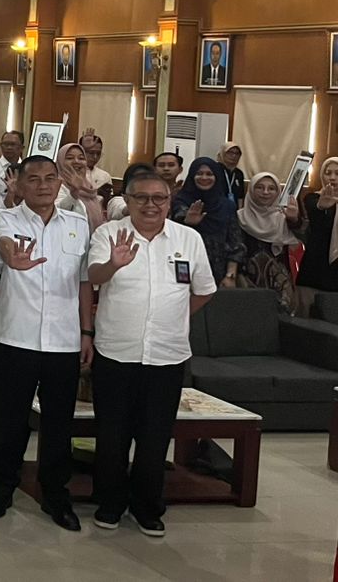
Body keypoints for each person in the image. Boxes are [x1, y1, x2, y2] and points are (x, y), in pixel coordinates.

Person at [88, 170, 216, 537]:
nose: (150, 205)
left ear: (169, 201)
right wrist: (114, 264)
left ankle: (147, 507)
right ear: (127, 201)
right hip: (116, 352)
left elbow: (204, 290)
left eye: (159, 198)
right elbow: (93, 277)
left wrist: (175, 316)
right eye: (141, 198)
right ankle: (110, 503)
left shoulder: (189, 239)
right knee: (112, 435)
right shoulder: (108, 234)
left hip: (167, 356)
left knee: (155, 437)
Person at [0, 154, 91, 531]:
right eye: (34, 179)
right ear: (19, 184)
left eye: (49, 178)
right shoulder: (5, 219)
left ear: (60, 183)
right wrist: (12, 256)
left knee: (59, 423)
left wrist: (86, 333)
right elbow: (2, 243)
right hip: (16, 336)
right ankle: (0, 489)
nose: (43, 185)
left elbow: (84, 283)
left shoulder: (78, 224)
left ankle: (56, 495)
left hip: (64, 340)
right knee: (9, 420)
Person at [171, 157, 246, 288]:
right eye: (199, 173)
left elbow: (235, 243)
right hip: (185, 269)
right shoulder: (180, 201)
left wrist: (230, 275)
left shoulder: (227, 206)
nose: (204, 177)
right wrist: (187, 222)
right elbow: (174, 230)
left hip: (218, 271)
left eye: (209, 174)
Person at [237, 172, 305, 314]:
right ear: (251, 190)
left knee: (282, 322)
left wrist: (294, 219)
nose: (266, 192)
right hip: (246, 281)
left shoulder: (284, 217)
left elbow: (305, 237)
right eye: (260, 187)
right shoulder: (239, 217)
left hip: (279, 283)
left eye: (271, 188)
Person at [297, 158, 338, 311]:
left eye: (337, 173)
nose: (332, 178)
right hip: (316, 269)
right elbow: (314, 211)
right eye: (328, 173)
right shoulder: (313, 198)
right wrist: (322, 206)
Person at [55, 143, 106, 229]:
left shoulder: (89, 187)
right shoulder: (55, 186)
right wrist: (73, 193)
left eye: (81, 158)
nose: (76, 161)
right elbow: (56, 212)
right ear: (60, 162)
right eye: (70, 158)